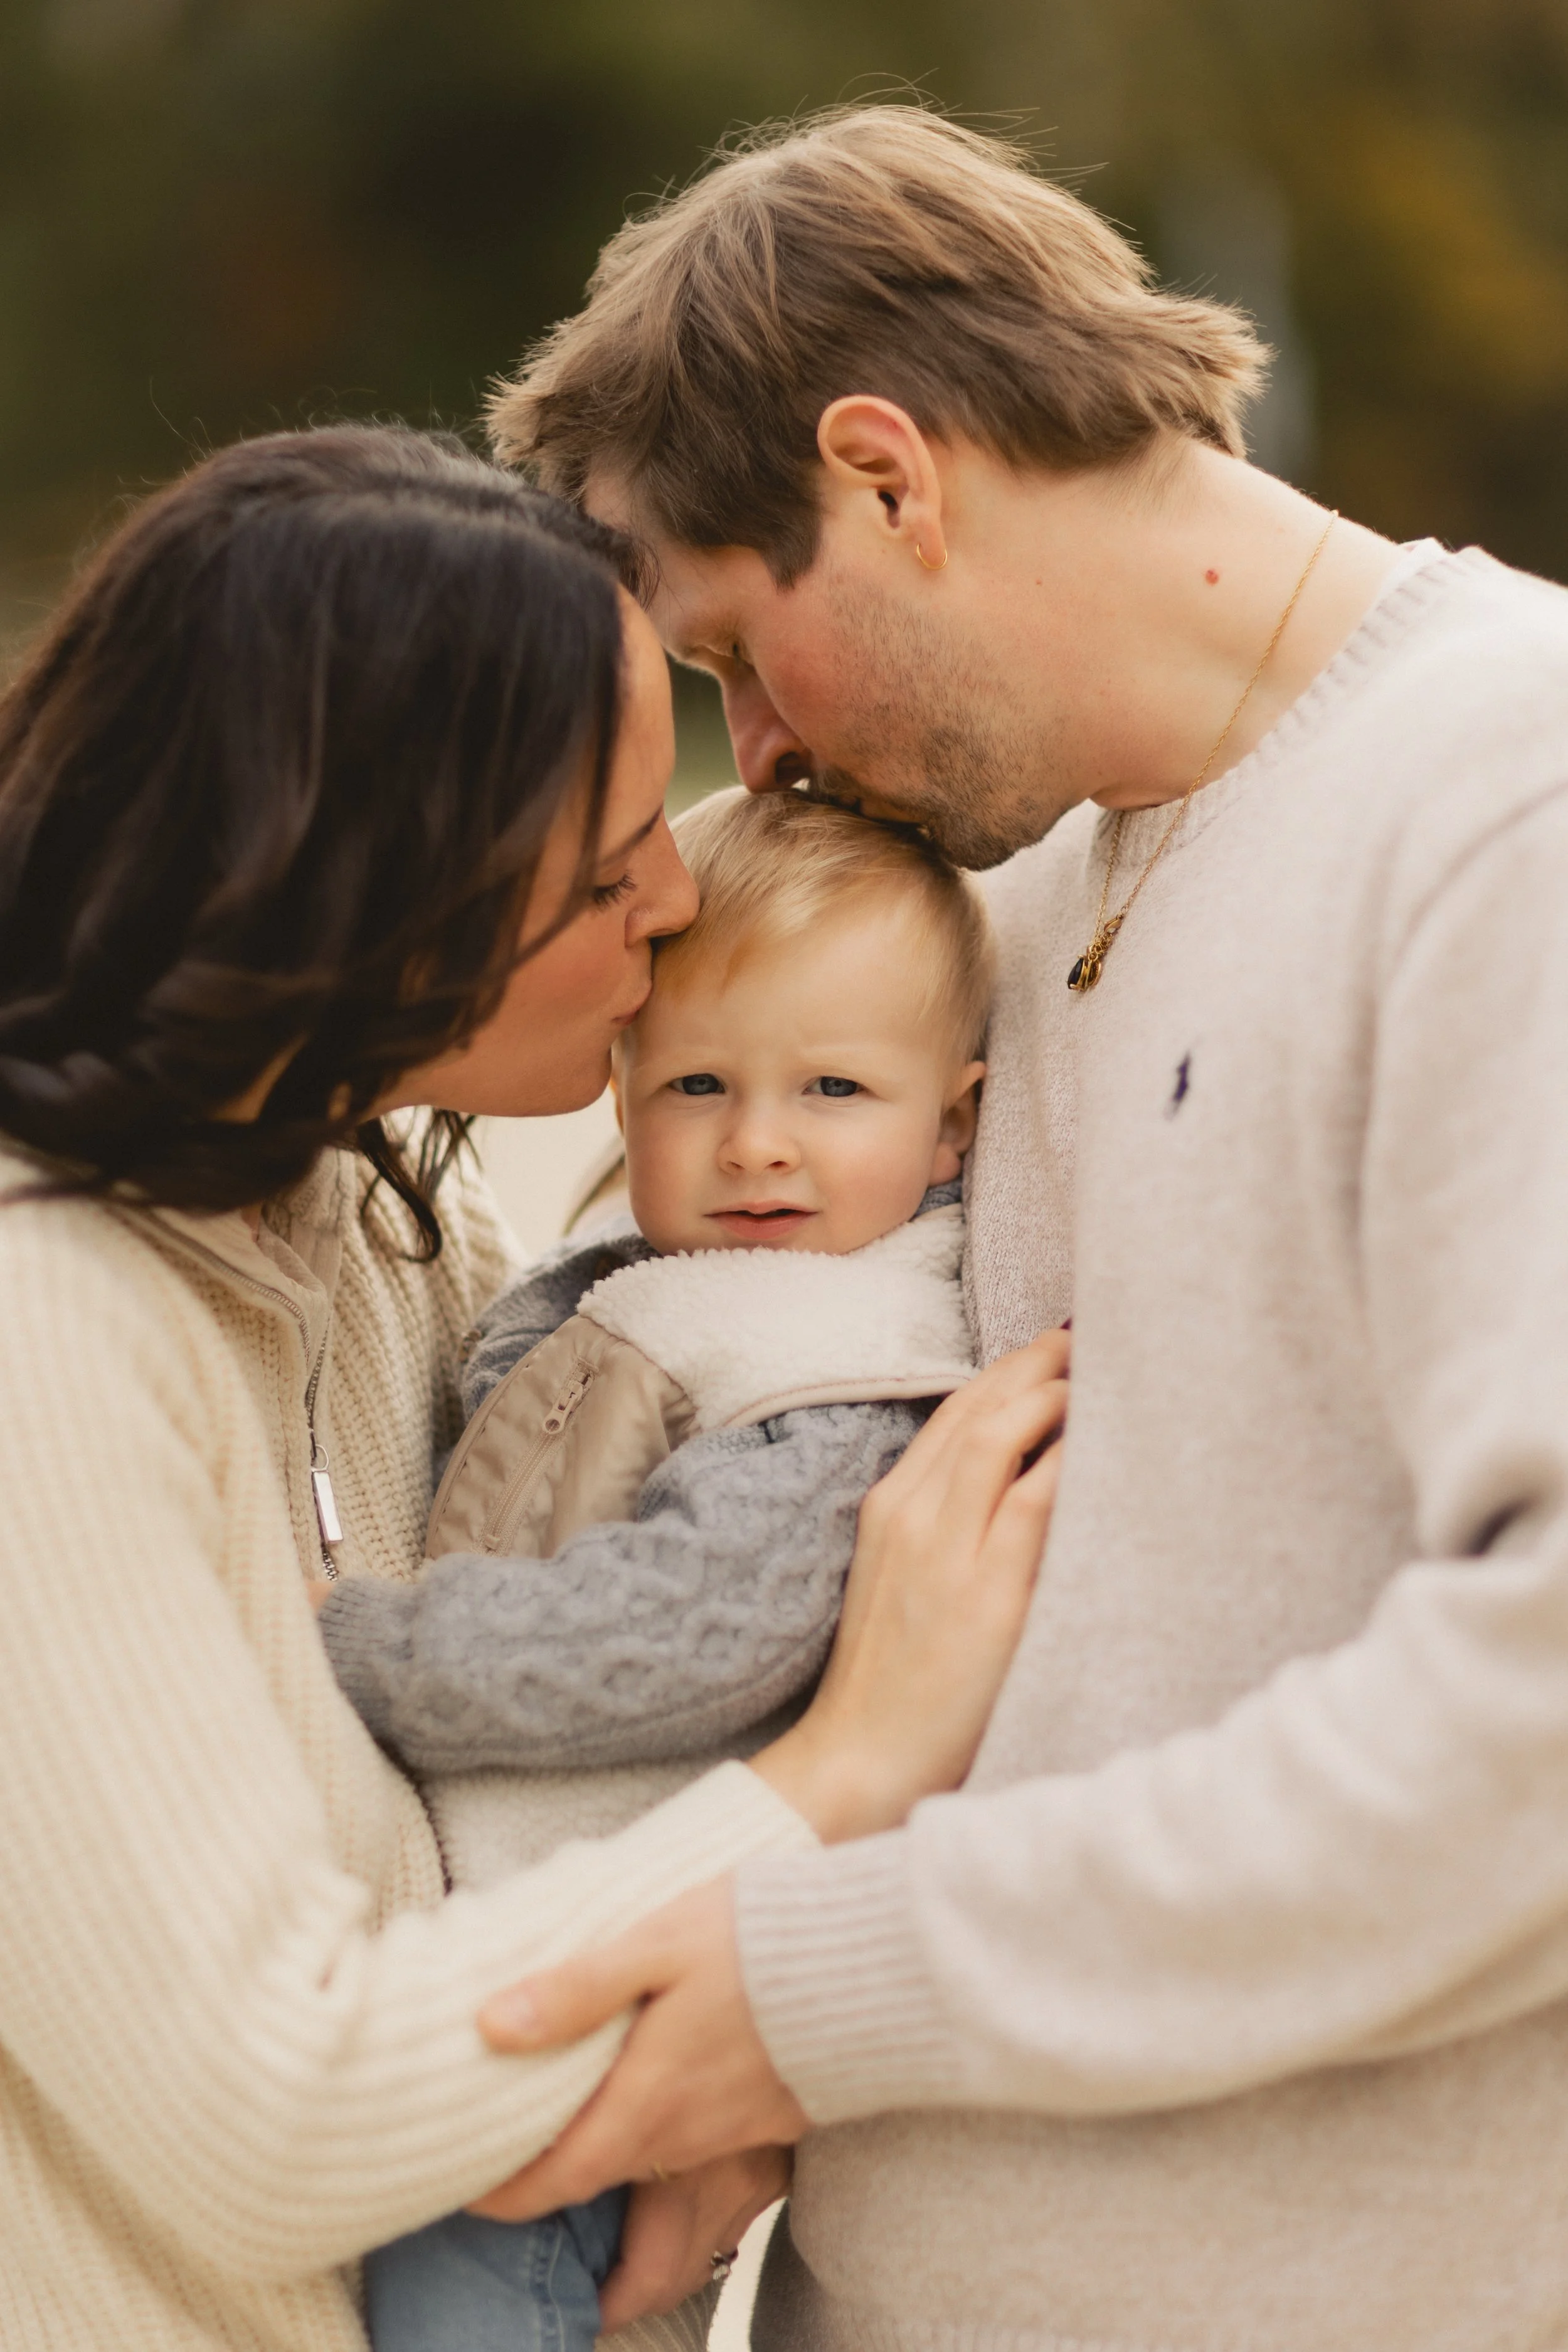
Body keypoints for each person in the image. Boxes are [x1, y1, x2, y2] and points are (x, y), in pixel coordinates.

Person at [470, 103, 1568, 2352]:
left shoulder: (1507, 808)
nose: (750, 756)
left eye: (739, 653)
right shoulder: (986, 904)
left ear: (888, 476)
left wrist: (822, 1987)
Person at [0, 419, 1071, 2352]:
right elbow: (278, 2110)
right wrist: (836, 1771)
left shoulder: (368, 1223)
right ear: (362, 896)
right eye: (607, 864)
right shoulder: (42, 1338)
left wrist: (700, 2097)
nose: (677, 899)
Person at [312, 783, 999, 2352]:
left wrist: (356, 1647)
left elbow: (695, 1634)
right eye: (699, 1083)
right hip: (520, 1955)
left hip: (625, 2001)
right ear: (621, 1099)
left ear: (949, 1122)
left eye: (832, 1087)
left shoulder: (838, 1363)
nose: (758, 1145)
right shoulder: (646, 1287)